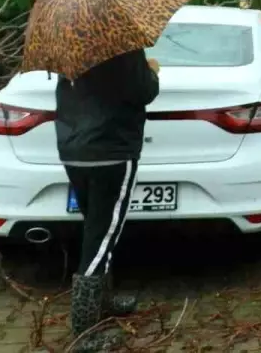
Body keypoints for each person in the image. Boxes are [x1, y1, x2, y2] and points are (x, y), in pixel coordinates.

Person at [55, 49, 159, 350]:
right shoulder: (123, 47)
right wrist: (151, 72)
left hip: (74, 151)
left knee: (95, 228)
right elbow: (144, 91)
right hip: (111, 152)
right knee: (102, 240)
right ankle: (85, 332)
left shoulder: (68, 47)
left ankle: (103, 301)